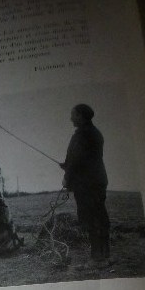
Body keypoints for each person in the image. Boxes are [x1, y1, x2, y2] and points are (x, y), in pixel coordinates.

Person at [60, 104, 111, 265]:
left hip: (87, 184)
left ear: (80, 116)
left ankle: (98, 258)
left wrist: (67, 177)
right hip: (96, 181)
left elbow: (77, 160)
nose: (70, 118)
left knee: (92, 219)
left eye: (73, 115)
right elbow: (82, 159)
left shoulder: (82, 135)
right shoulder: (94, 133)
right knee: (100, 217)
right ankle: (105, 255)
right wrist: (67, 165)